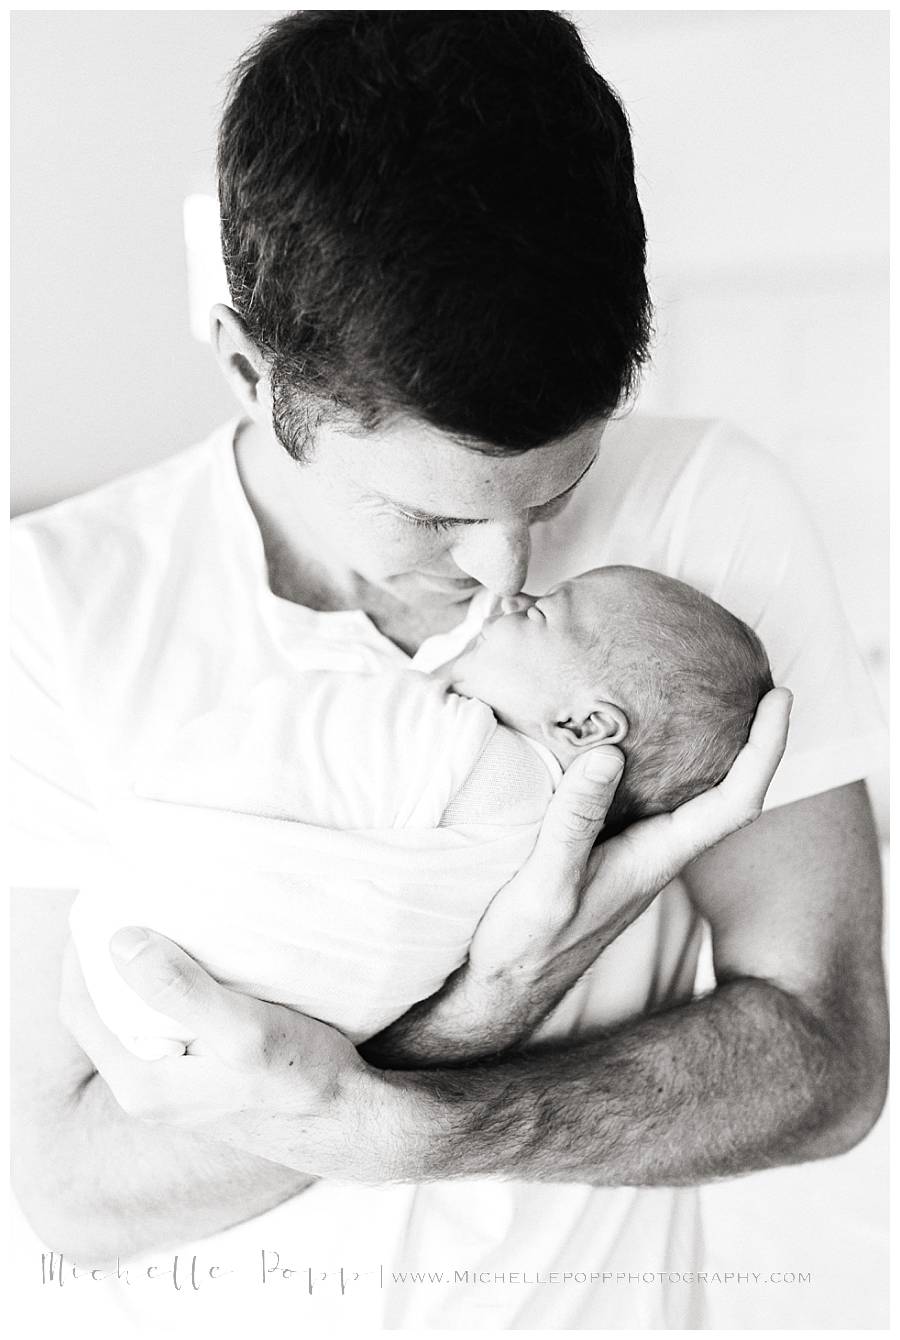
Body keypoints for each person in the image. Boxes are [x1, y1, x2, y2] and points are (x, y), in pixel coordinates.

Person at [10, 11, 886, 1331]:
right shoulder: (53, 607)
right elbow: (71, 1185)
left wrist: (431, 1128)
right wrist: (468, 1025)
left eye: (563, 487)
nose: (505, 567)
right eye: (432, 515)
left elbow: (827, 1058)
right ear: (250, 369)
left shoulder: (711, 510)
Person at [65, 564, 773, 1061]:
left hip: (168, 944)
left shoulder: (461, 744)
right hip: (254, 1019)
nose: (509, 598)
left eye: (540, 613)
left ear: (586, 726)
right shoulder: (546, 863)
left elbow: (294, 730)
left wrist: (429, 685)